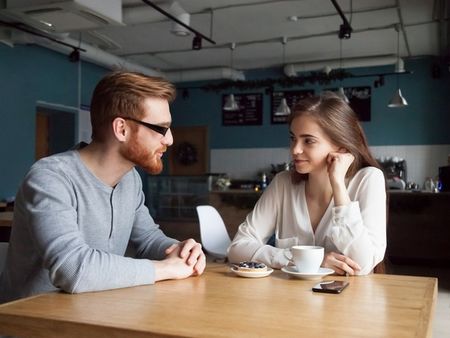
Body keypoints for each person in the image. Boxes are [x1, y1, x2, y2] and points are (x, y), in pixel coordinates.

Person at [0, 71, 206, 303]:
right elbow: (73, 269)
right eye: (161, 129)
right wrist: (166, 269)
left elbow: (147, 239)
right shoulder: (50, 177)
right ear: (121, 129)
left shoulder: (131, 179)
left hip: (95, 312)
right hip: (31, 326)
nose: (169, 140)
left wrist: (181, 251)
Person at [228, 91, 386, 275]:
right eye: (293, 138)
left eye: (308, 141)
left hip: (347, 300)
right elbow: (237, 248)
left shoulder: (368, 179)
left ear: (341, 147)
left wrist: (337, 184)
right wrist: (306, 259)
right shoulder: (283, 184)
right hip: (288, 299)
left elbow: (362, 265)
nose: (295, 149)